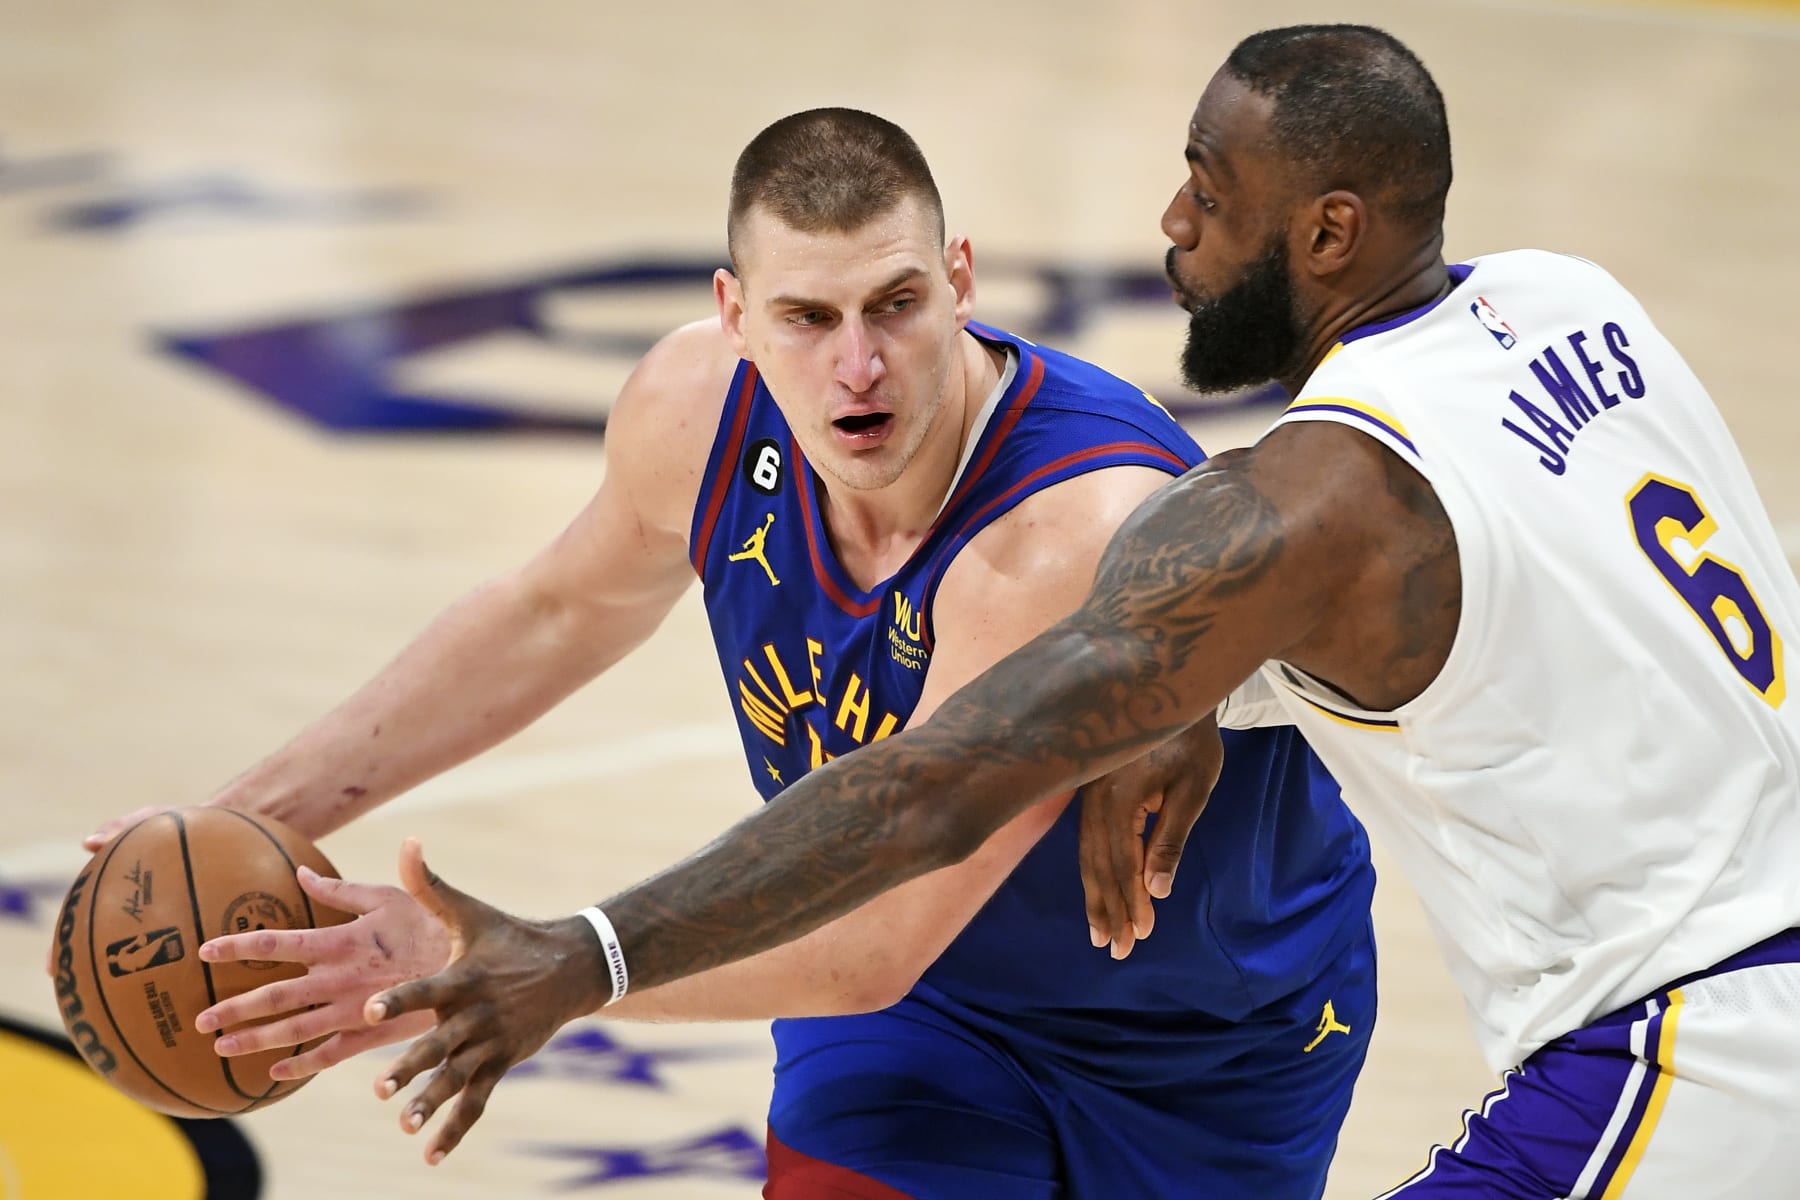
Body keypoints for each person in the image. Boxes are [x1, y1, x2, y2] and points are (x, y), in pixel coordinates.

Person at [362, 24, 1800, 1198]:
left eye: (1210, 191)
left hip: (1697, 1044)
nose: (1173, 226)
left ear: (1332, 229)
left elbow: (927, 796)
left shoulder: (1302, 508)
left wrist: (590, 955)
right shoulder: (1569, 301)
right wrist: (1199, 688)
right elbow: (1473, 572)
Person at [87, 108, 1379, 1197]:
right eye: (807, 317)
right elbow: (558, 610)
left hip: (1207, 1037)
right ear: (733, 313)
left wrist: (493, 963)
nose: (859, 365)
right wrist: (247, 818)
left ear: (965, 280)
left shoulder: (1065, 534)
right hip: (911, 1022)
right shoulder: (696, 403)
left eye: (898, 304)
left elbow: (889, 920)